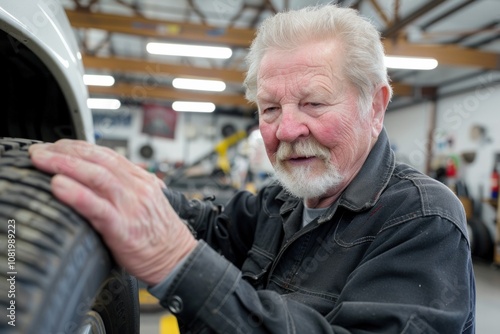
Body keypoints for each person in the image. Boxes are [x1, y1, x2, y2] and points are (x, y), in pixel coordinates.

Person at [29, 4, 475, 333]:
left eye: (314, 103)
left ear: (375, 106)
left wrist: (175, 263)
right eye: (269, 109)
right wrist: (131, 186)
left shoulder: (424, 222)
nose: (286, 129)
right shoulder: (285, 201)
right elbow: (215, 229)